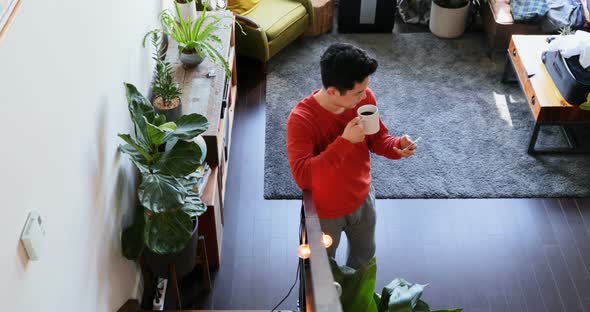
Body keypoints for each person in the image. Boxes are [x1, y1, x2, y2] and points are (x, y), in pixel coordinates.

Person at [286, 43, 417, 269]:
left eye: (366, 88)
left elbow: (377, 138)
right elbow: (303, 176)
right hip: (325, 211)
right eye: (358, 92)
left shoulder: (365, 100)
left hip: (363, 198)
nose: (366, 95)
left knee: (364, 261)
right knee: (321, 269)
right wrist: (345, 142)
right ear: (333, 91)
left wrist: (397, 146)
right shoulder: (301, 120)